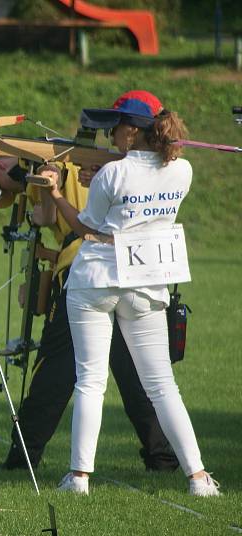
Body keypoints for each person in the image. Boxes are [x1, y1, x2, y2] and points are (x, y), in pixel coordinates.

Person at [46, 90, 219, 496]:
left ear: (131, 130)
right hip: (146, 282)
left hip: (96, 279)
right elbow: (135, 189)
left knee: (89, 381)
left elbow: (85, 227)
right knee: (162, 385)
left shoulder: (112, 174)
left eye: (116, 127)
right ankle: (197, 477)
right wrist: (103, 175)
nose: (110, 134)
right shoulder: (183, 171)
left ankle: (79, 478)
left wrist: (56, 193)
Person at [0, 157, 179, 473]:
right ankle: (162, 455)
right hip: (135, 271)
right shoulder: (141, 169)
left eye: (2, 163)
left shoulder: (57, 166)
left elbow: (53, 216)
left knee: (57, 368)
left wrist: (37, 191)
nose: (0, 167)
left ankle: (24, 453)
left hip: (86, 273)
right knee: (137, 371)